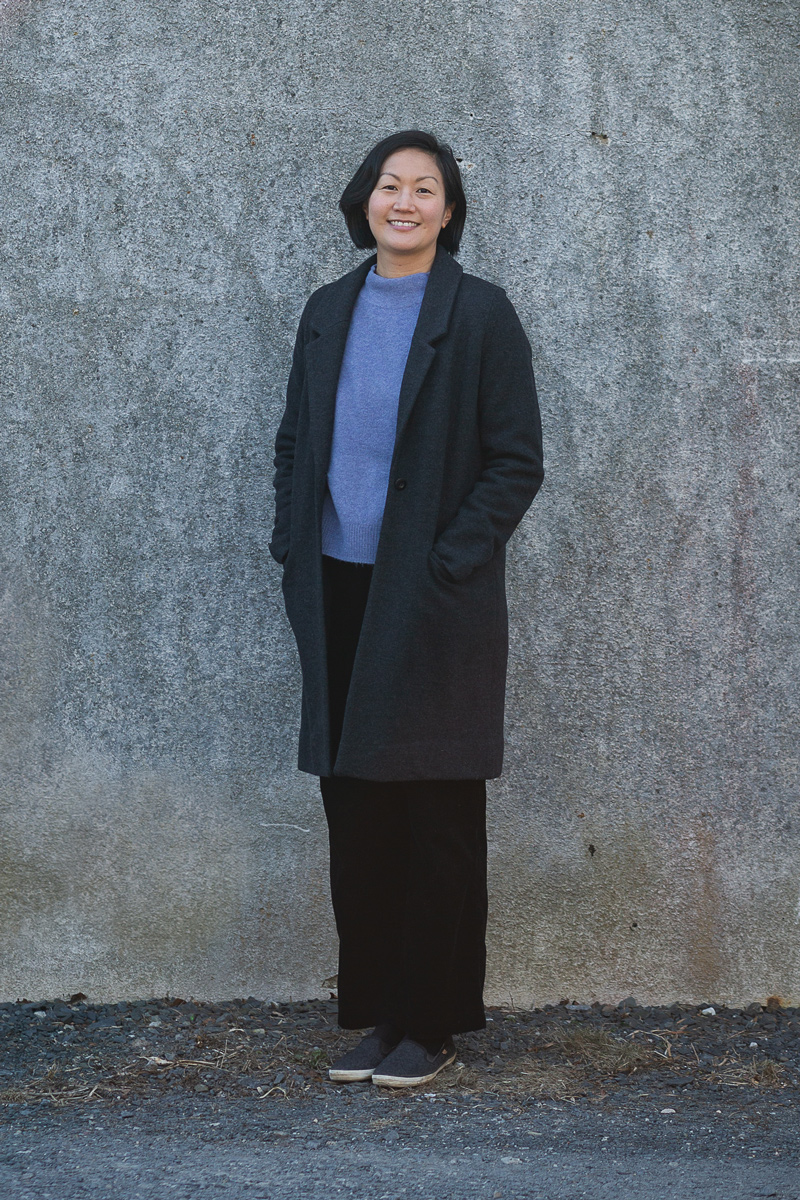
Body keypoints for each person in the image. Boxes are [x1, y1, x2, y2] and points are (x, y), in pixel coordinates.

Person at [270, 130, 543, 1088]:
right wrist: (290, 539)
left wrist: (445, 562)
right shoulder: (327, 310)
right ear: (365, 201)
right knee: (358, 812)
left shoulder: (480, 314)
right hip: (337, 588)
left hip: (431, 601)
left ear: (448, 212)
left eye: (426, 189)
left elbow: (517, 462)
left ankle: (431, 1023)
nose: (405, 201)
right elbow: (294, 441)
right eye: (391, 185)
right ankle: (379, 1014)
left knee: (435, 812)